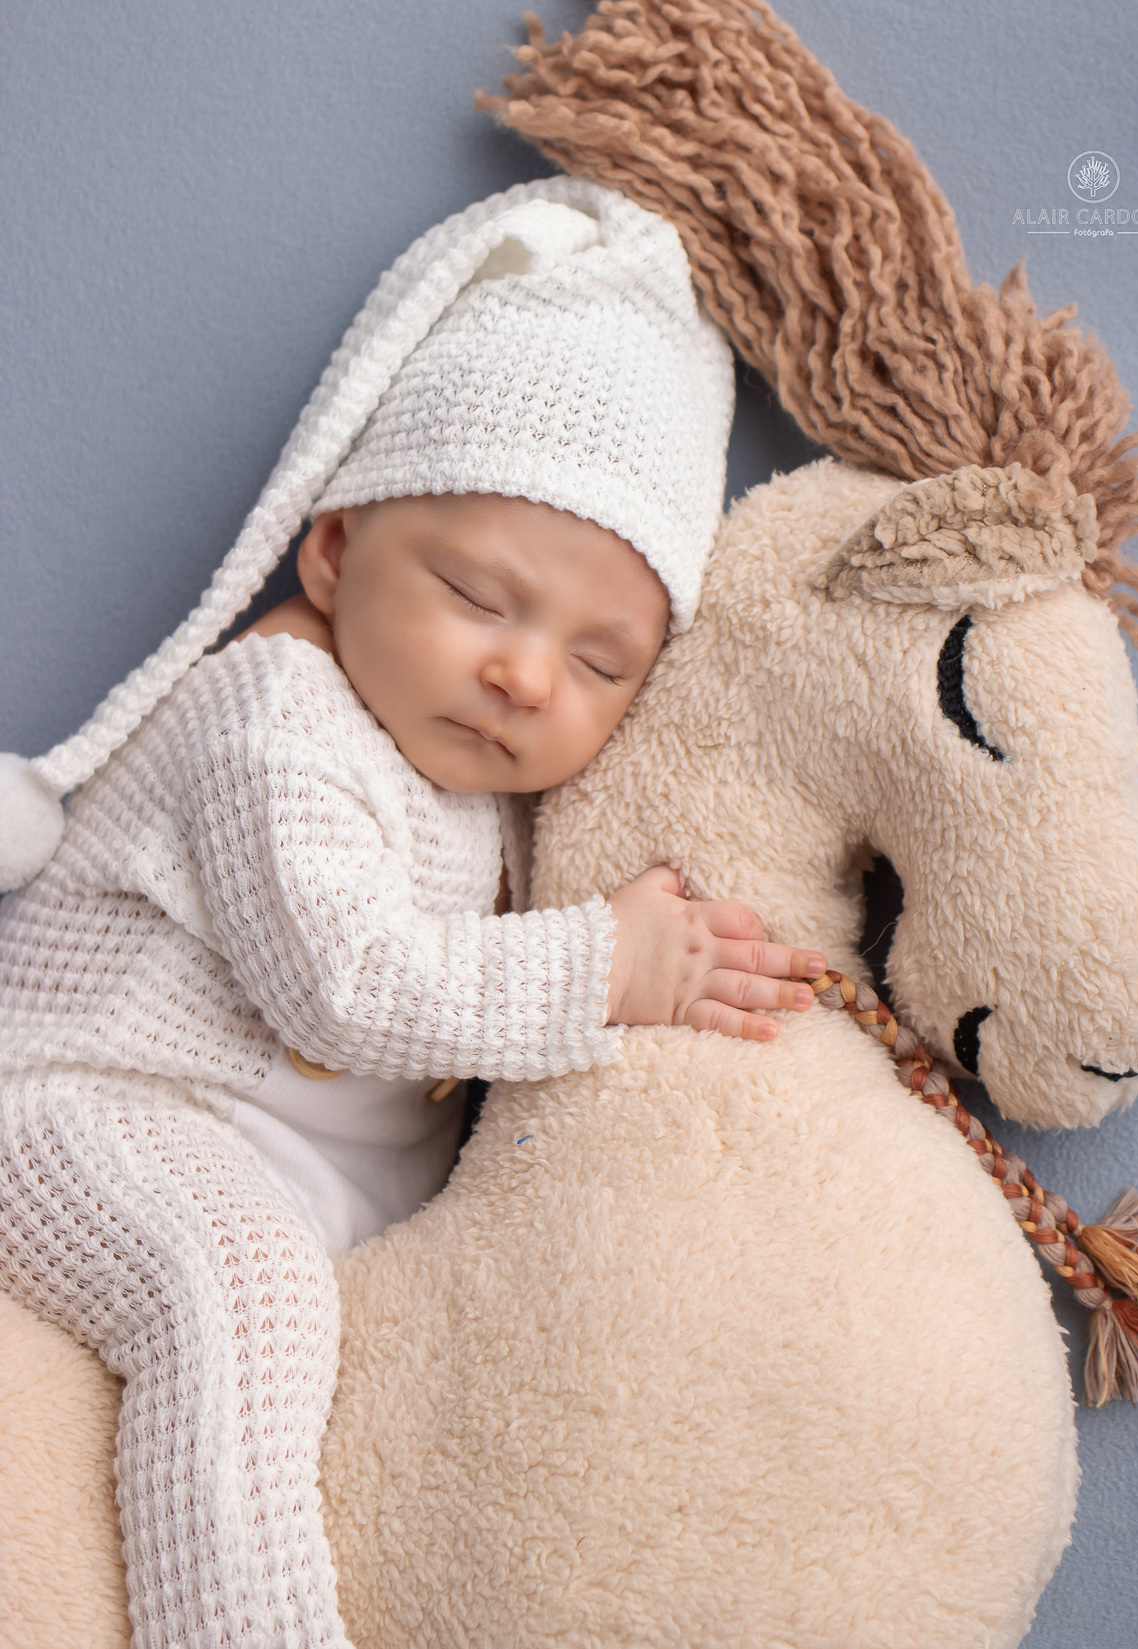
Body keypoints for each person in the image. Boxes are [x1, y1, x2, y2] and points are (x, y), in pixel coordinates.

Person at [0, 179, 823, 1648]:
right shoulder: (275, 715)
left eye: (602, 663)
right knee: (236, 1293)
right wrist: (607, 963)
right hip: (90, 1107)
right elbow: (349, 987)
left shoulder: (495, 792)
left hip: (303, 1179)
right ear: (334, 554)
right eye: (476, 594)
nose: (527, 675)